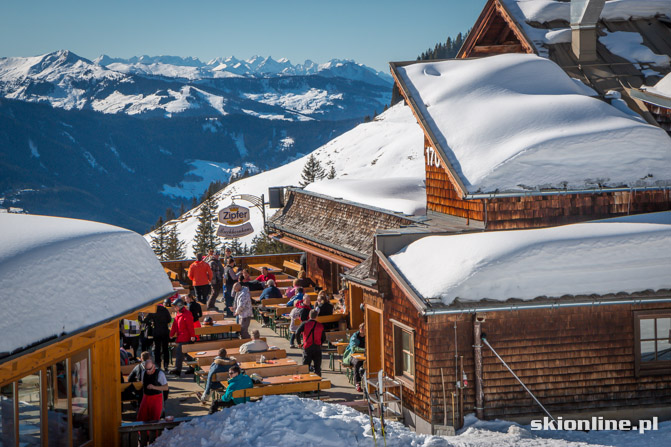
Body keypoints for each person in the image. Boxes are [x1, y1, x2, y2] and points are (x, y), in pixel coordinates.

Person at [168, 298, 195, 376]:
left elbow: (190, 326)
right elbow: (175, 325)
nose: (174, 308)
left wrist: (192, 336)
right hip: (181, 337)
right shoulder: (178, 314)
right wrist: (171, 334)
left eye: (175, 306)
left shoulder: (187, 314)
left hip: (185, 337)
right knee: (187, 354)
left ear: (180, 306)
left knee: (179, 353)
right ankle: (192, 368)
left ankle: (177, 369)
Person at [295, 310, 326, 376]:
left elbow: (297, 333)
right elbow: (324, 338)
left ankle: (306, 381)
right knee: (317, 368)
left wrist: (299, 343)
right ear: (317, 316)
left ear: (309, 316)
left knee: (305, 366)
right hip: (317, 347)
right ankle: (318, 382)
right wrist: (320, 343)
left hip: (307, 346)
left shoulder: (304, 324)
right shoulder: (320, 325)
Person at [144, 299, 172, 371]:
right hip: (165, 331)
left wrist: (152, 322)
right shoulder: (165, 309)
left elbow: (146, 320)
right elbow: (169, 319)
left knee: (157, 349)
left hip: (157, 332)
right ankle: (166, 365)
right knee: (165, 348)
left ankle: (158, 364)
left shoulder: (153, 310)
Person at [344, 323, 366, 392]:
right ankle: (358, 383)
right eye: (364, 329)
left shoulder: (368, 336)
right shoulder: (355, 337)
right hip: (352, 356)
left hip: (364, 356)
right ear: (361, 329)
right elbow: (353, 348)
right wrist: (365, 350)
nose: (365, 330)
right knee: (357, 363)